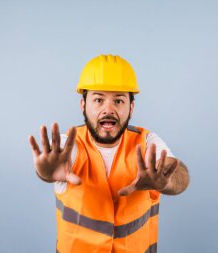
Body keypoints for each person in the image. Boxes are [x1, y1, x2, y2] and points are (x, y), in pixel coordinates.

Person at [28, 54, 189, 253]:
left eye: (119, 101)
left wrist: (166, 179)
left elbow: (179, 174)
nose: (108, 109)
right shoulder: (69, 145)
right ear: (83, 105)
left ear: (131, 108)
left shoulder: (147, 142)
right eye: (98, 99)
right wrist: (45, 172)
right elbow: (50, 167)